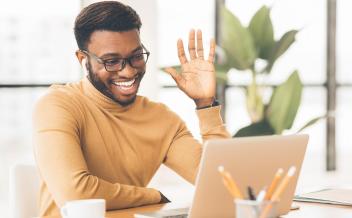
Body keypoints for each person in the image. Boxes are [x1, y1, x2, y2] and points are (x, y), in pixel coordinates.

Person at [33, 1, 230, 216]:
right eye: (111, 61)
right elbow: (76, 194)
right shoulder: (57, 106)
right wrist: (152, 196)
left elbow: (222, 184)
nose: (127, 72)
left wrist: (205, 105)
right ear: (83, 59)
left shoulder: (161, 119)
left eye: (136, 57)